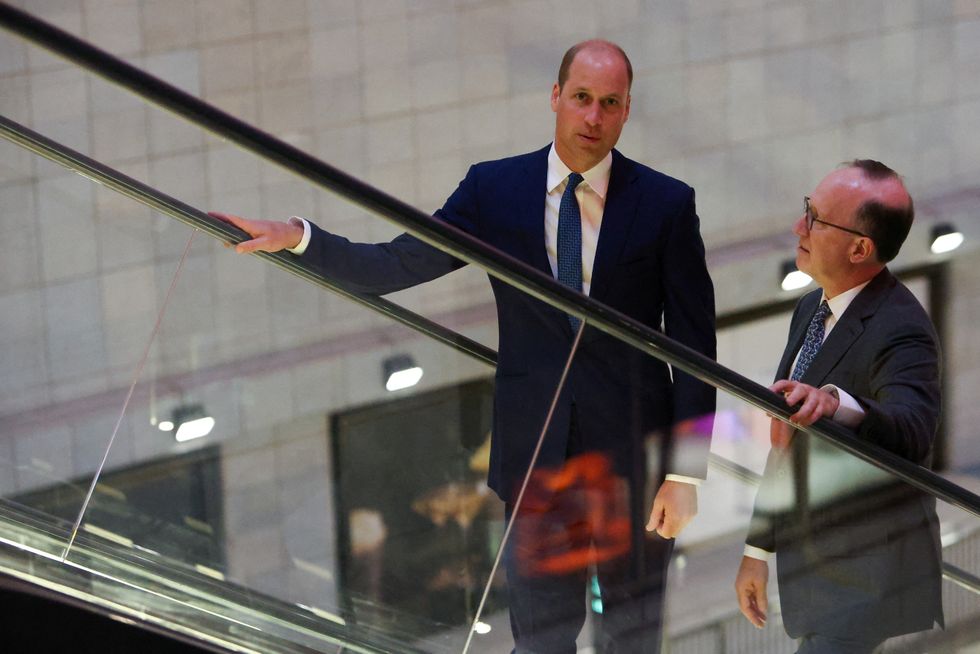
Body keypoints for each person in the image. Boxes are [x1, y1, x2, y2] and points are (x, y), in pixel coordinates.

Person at [212, 39, 716, 653]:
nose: (593, 117)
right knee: (539, 643)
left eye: (610, 103)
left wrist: (684, 474)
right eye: (581, 97)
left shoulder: (666, 203)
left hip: (636, 467)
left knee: (633, 642)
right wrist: (299, 238)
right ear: (555, 97)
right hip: (536, 462)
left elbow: (696, 348)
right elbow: (395, 262)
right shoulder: (494, 189)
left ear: (627, 109)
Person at [734, 160, 944, 654]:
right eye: (807, 210)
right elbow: (785, 443)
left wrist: (835, 403)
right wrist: (757, 548)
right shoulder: (811, 307)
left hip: (866, 573)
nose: (799, 226)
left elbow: (913, 429)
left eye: (816, 219)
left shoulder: (903, 327)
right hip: (813, 567)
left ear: (859, 249)